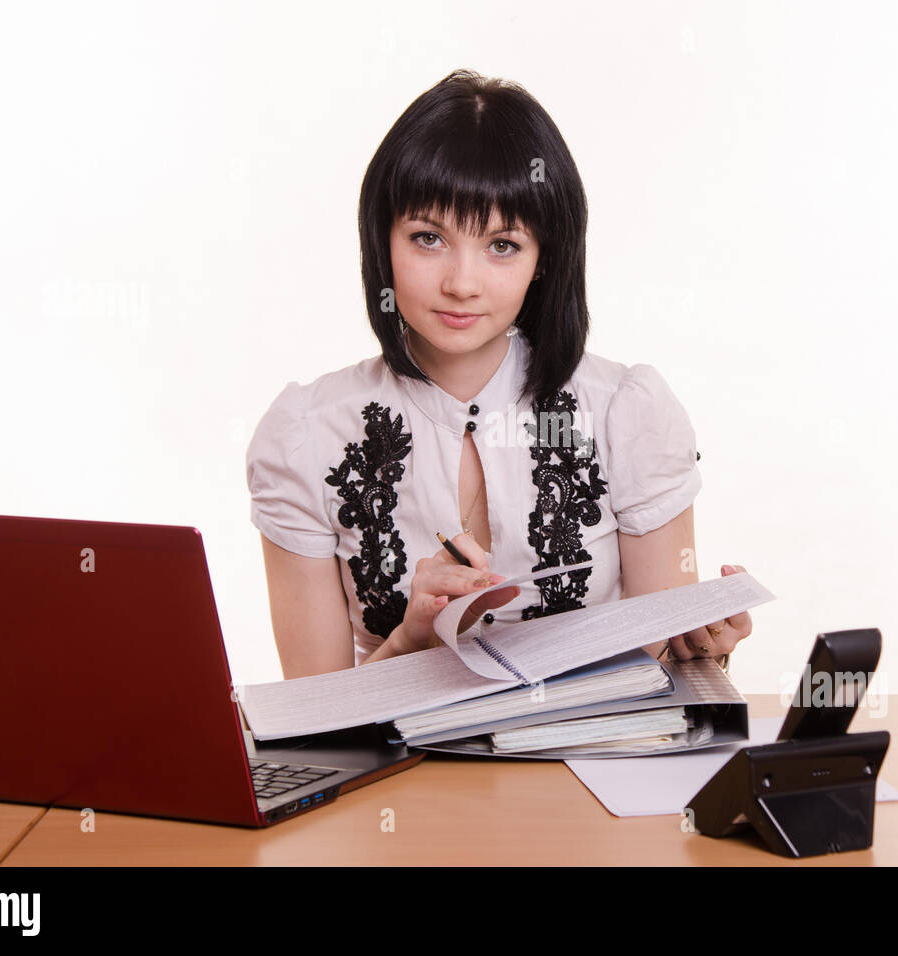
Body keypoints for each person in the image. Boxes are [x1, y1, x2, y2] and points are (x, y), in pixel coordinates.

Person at [246, 69, 752, 677]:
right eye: (428, 238)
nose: (461, 283)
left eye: (502, 245)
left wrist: (705, 651)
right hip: (400, 773)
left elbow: (664, 683)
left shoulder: (628, 414)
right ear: (382, 242)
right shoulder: (304, 436)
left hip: (587, 766)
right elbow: (317, 724)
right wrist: (412, 638)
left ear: (545, 258)